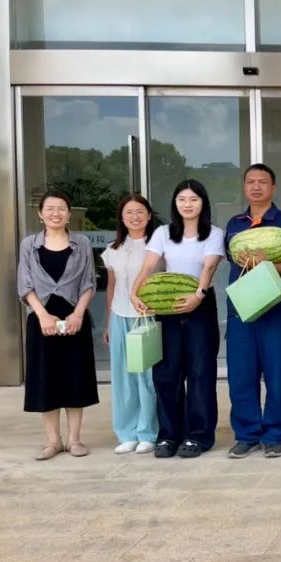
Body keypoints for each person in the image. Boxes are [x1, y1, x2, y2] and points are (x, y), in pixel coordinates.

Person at [132, 179, 224, 458]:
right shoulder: (162, 233)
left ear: (203, 203)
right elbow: (149, 266)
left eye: (194, 199)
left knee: (200, 372)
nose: (188, 204)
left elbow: (209, 267)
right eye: (182, 199)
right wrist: (135, 293)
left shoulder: (214, 233)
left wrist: (198, 294)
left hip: (200, 306)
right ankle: (169, 435)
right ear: (175, 203)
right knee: (166, 374)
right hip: (167, 306)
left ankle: (199, 436)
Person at [223, 164, 281, 459]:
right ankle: (246, 434)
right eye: (251, 182)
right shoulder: (234, 224)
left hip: (276, 311)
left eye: (262, 182)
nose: (256, 186)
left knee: (276, 375)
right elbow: (233, 261)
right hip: (242, 310)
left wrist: (266, 264)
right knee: (241, 376)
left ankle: (273, 434)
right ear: (244, 187)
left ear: (273, 187)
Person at [18, 190, 99, 460]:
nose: (56, 213)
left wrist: (78, 315)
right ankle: (53, 441)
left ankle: (74, 440)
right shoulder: (29, 245)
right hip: (42, 318)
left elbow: (88, 282)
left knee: (75, 378)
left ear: (69, 214)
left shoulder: (82, 243)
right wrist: (42, 315)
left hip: (74, 316)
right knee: (46, 379)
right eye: (50, 209)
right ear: (40, 214)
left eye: (61, 208)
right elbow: (24, 284)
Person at [101, 194, 160, 455]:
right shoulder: (113, 249)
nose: (135, 217)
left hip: (146, 318)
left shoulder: (157, 246)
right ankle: (126, 432)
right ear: (122, 218)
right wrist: (108, 323)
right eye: (129, 212)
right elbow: (111, 287)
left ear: (149, 215)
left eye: (140, 212)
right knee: (123, 378)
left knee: (146, 378)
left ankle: (148, 432)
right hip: (119, 317)